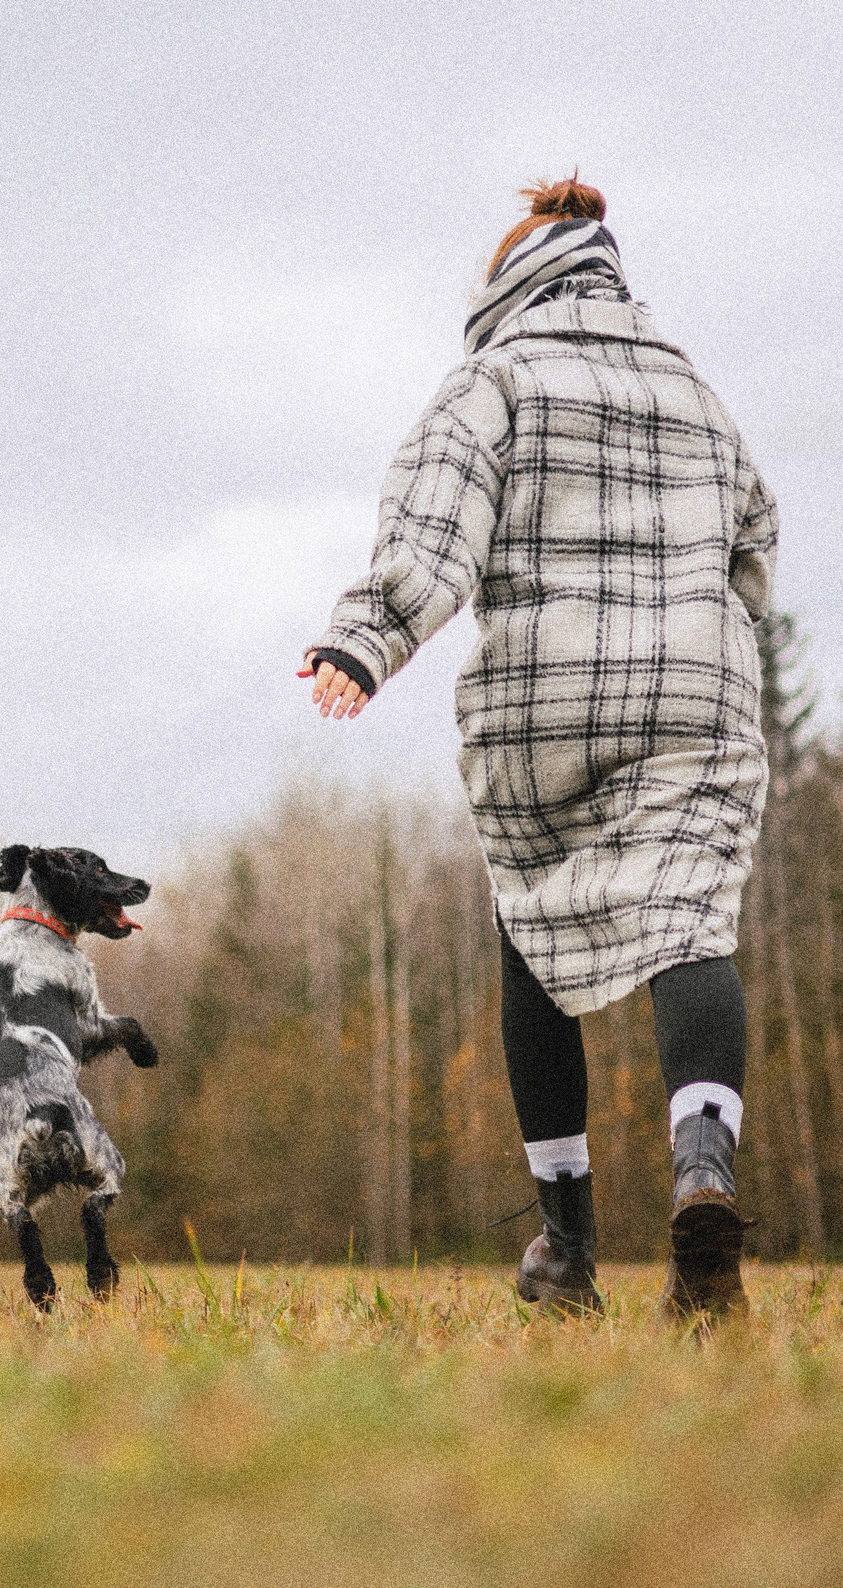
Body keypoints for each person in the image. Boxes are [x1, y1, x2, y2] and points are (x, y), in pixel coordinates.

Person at [302, 174, 775, 1321]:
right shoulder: (698, 393)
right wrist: (711, 637)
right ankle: (703, 1164)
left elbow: (433, 522)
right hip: (694, 697)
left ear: (509, 284)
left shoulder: (496, 378)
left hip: (544, 708)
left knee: (531, 932)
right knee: (688, 925)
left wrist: (365, 640)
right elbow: (754, 545)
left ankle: (565, 1248)